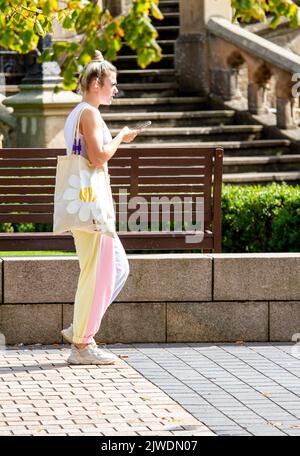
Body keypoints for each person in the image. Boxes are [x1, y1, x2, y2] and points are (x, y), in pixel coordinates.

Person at [61, 50, 138, 365]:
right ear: (95, 84)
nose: (115, 90)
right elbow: (98, 157)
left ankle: (80, 329)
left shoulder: (78, 111)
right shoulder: (89, 114)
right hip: (91, 204)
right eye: (112, 83)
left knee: (116, 268)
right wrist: (121, 136)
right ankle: (82, 344)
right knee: (100, 272)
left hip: (82, 203)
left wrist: (100, 61)